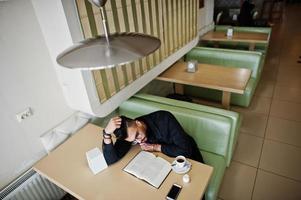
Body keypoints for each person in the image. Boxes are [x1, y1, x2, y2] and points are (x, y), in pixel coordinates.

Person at [102, 110, 204, 165]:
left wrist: (156, 147)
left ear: (138, 123)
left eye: (138, 135)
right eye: (134, 141)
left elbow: (185, 150)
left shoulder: (165, 118)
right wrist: (106, 134)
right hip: (165, 163)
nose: (139, 140)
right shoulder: (129, 134)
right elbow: (111, 160)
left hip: (188, 155)